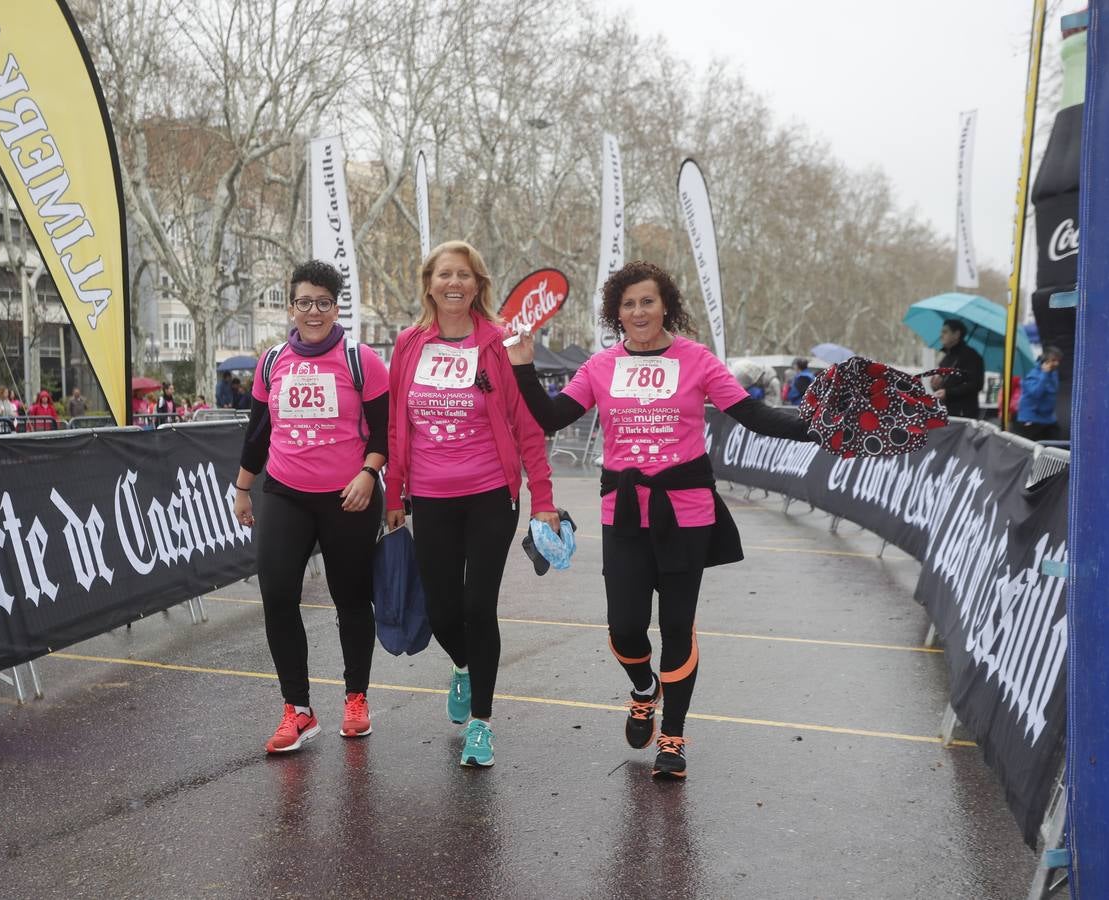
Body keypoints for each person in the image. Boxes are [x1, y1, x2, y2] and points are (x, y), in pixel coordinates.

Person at [506, 260, 815, 780]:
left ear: (665, 304)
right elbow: (552, 418)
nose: (638, 311)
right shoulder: (600, 367)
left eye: (647, 301)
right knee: (624, 626)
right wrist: (521, 366)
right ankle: (644, 689)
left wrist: (818, 429)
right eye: (628, 304)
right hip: (623, 512)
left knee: (677, 626)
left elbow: (754, 416)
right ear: (616, 313)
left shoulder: (698, 360)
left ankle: (673, 736)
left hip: (687, 511)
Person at [385, 240, 557, 768]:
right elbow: (396, 424)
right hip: (430, 498)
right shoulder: (409, 343)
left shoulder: (500, 345)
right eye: (444, 274)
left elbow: (528, 428)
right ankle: (462, 665)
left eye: (464, 275)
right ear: (429, 283)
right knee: (441, 612)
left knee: (479, 607)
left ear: (478, 284)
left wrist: (543, 499)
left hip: (489, 496)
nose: (454, 283)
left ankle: (482, 722)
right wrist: (394, 495)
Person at [232, 260, 390, 755]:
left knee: (350, 600)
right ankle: (297, 710)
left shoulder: (362, 359)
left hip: (349, 497)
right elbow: (258, 432)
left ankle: (356, 699)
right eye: (304, 302)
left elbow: (386, 434)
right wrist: (242, 489)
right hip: (284, 493)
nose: (313, 311)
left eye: (323, 302)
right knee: (278, 596)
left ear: (336, 306)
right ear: (291, 306)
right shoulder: (272, 360)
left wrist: (369, 473)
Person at [930, 319, 985, 419]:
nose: (941, 335)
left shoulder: (971, 356)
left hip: (963, 415)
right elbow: (945, 384)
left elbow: (975, 384)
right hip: (945, 413)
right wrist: (935, 385)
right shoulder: (946, 357)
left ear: (956, 335)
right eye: (941, 332)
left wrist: (948, 393)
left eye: (945, 332)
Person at [1014, 346, 1063, 441]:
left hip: (1049, 419)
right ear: (1045, 360)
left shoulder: (1054, 373)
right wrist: (1044, 374)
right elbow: (1036, 393)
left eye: (1058, 361)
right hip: (1032, 419)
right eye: (1053, 360)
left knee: (1056, 447)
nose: (1056, 363)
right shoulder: (1031, 374)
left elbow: (1054, 390)